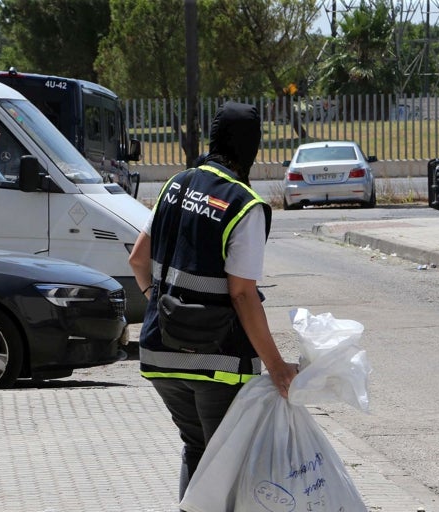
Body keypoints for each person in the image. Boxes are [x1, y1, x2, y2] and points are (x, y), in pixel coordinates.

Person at [128, 101, 298, 501]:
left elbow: (137, 260)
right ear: (251, 148)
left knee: (198, 448)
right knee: (227, 462)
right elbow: (241, 293)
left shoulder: (175, 185)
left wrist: (160, 304)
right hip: (218, 362)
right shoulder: (244, 204)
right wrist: (277, 367)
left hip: (160, 352)